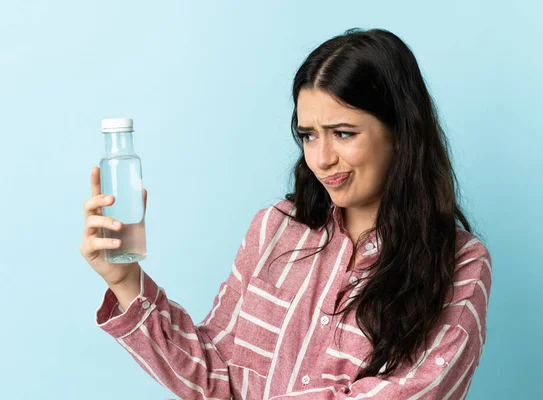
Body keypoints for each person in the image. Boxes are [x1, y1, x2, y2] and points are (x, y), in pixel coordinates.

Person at [80, 28, 492, 400]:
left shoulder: (461, 264)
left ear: (401, 132)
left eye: (344, 133)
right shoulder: (273, 230)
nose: (322, 158)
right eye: (309, 136)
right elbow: (215, 378)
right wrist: (125, 281)